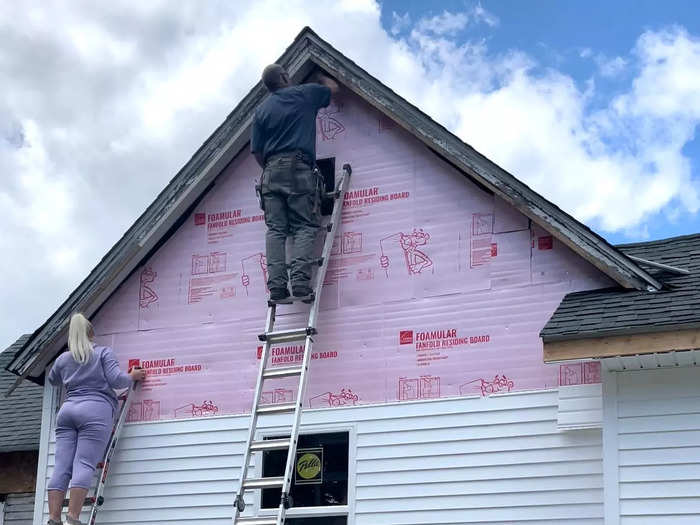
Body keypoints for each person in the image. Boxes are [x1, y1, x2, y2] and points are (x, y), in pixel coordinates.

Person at [46, 313, 146, 525]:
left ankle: (53, 519)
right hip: (95, 410)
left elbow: (53, 379)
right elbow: (116, 380)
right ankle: (72, 518)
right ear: (91, 332)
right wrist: (133, 376)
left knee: (62, 466)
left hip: (67, 411)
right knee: (83, 463)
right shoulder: (102, 353)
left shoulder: (63, 359)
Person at [251, 63, 339, 302]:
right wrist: (323, 76)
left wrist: (273, 169)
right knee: (304, 226)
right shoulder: (305, 94)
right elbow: (332, 89)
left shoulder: (261, 111)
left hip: (269, 173)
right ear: (284, 76)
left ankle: (277, 287)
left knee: (276, 230)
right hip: (299, 168)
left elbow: (257, 151)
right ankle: (300, 283)